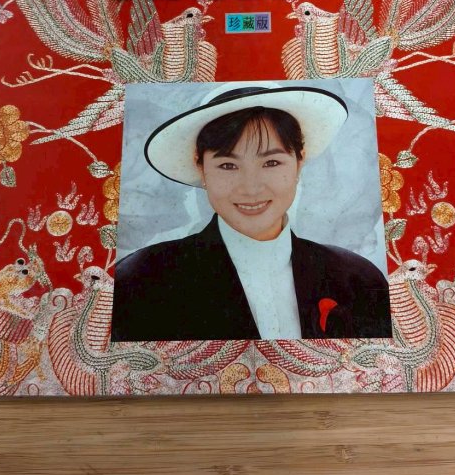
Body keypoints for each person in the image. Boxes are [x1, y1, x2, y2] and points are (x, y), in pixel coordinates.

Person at [111, 83, 391, 341]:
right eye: (228, 166)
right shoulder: (141, 280)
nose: (251, 188)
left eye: (271, 163)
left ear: (299, 162)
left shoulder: (358, 279)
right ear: (201, 168)